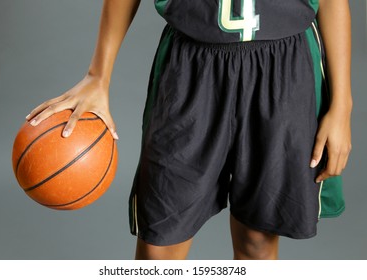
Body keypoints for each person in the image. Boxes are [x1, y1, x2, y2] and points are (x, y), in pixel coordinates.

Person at [26, 0, 352, 260]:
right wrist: (99, 75)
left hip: (283, 70)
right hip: (192, 68)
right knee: (159, 249)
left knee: (258, 240)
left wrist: (342, 106)